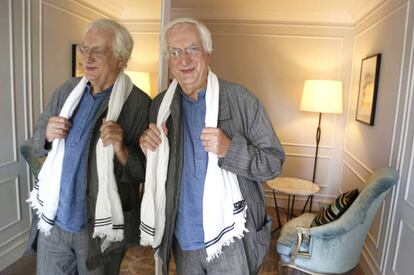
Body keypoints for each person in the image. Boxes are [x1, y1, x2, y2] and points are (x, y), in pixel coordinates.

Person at [139, 17, 285, 275]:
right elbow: (156, 170)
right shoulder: (160, 107)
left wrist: (231, 150)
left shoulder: (242, 100)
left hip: (233, 237)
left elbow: (274, 163)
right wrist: (146, 148)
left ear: (208, 53)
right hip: (185, 241)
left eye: (192, 49)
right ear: (169, 60)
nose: (184, 60)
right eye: (175, 52)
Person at [24, 18, 151, 274]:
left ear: (121, 59)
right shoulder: (67, 91)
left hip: (100, 230)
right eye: (85, 49)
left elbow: (146, 172)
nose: (87, 57)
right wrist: (47, 134)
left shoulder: (141, 104)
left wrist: (122, 149)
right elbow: (37, 141)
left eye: (98, 50)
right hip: (54, 222)